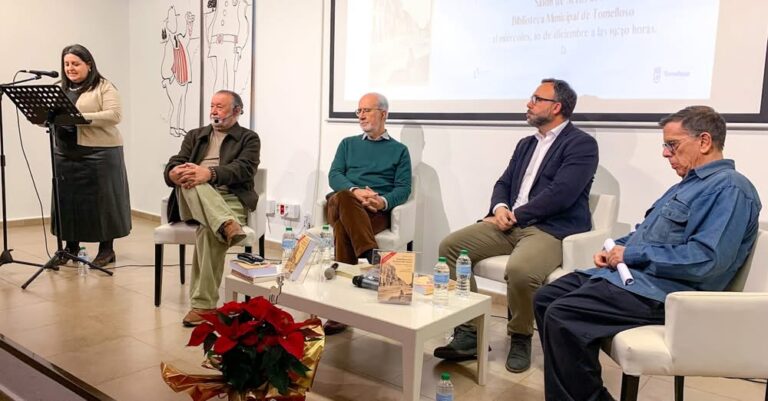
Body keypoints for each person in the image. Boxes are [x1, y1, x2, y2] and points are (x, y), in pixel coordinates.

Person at [533, 106, 761, 401]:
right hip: (634, 279)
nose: (666, 153)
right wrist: (617, 249)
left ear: (704, 141)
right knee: (545, 298)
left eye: (672, 145)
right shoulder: (688, 185)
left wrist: (633, 255)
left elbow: (706, 260)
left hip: (666, 292)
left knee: (563, 316)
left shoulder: (730, 188)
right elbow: (646, 235)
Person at [433, 79, 599, 373]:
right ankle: (469, 332)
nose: (528, 103)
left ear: (556, 107)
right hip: (508, 222)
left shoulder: (582, 144)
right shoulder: (526, 144)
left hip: (549, 228)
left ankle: (520, 336)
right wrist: (499, 208)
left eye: (536, 98)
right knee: (450, 247)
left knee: (521, 270)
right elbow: (504, 183)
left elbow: (561, 194)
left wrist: (516, 215)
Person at [164, 90, 260, 327]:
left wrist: (210, 173)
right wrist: (173, 172)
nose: (214, 111)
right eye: (212, 106)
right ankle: (226, 223)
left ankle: (203, 307)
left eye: (220, 107)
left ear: (237, 111)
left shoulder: (249, 138)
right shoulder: (196, 135)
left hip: (231, 198)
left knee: (209, 231)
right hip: (192, 198)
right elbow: (177, 160)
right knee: (189, 178)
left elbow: (244, 169)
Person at [323, 92, 412, 334]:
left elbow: (403, 189)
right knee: (343, 197)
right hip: (342, 202)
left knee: (342, 228)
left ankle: (340, 311)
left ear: (384, 114)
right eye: (359, 111)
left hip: (373, 211)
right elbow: (334, 176)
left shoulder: (400, 150)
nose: (361, 116)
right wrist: (356, 191)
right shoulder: (348, 144)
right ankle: (373, 257)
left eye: (367, 110)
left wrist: (382, 202)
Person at [52, 44, 131, 268]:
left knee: (103, 203)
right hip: (65, 153)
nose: (70, 68)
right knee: (67, 202)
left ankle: (107, 250)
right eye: (67, 64)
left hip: (100, 153)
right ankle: (71, 247)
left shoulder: (104, 87)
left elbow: (114, 115)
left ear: (89, 64)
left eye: (75, 63)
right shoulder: (60, 87)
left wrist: (77, 116)